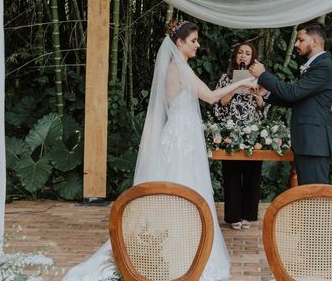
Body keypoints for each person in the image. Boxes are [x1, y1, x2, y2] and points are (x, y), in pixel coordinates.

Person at [64, 19, 255, 281]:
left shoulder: (179, 67)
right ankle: (178, 254)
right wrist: (242, 84)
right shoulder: (178, 69)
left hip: (181, 138)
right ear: (179, 43)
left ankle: (173, 251)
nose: (198, 45)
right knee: (182, 192)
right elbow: (211, 96)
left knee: (184, 193)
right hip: (181, 143)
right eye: (193, 41)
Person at [249, 22, 332, 185]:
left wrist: (264, 75)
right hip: (308, 143)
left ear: (315, 41)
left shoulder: (324, 66)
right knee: (307, 196)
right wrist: (266, 92)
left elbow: (293, 93)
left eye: (301, 40)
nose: (296, 44)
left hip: (314, 144)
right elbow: (298, 99)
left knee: (314, 198)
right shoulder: (316, 66)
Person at [213, 42, 269, 230]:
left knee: (252, 175)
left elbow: (264, 108)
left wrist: (257, 95)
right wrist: (235, 86)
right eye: (240, 53)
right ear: (235, 56)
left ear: (252, 58)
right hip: (232, 131)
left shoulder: (259, 78)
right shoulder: (226, 78)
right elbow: (220, 105)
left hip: (252, 132)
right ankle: (233, 216)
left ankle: (248, 215)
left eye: (247, 53)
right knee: (232, 174)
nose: (243, 56)